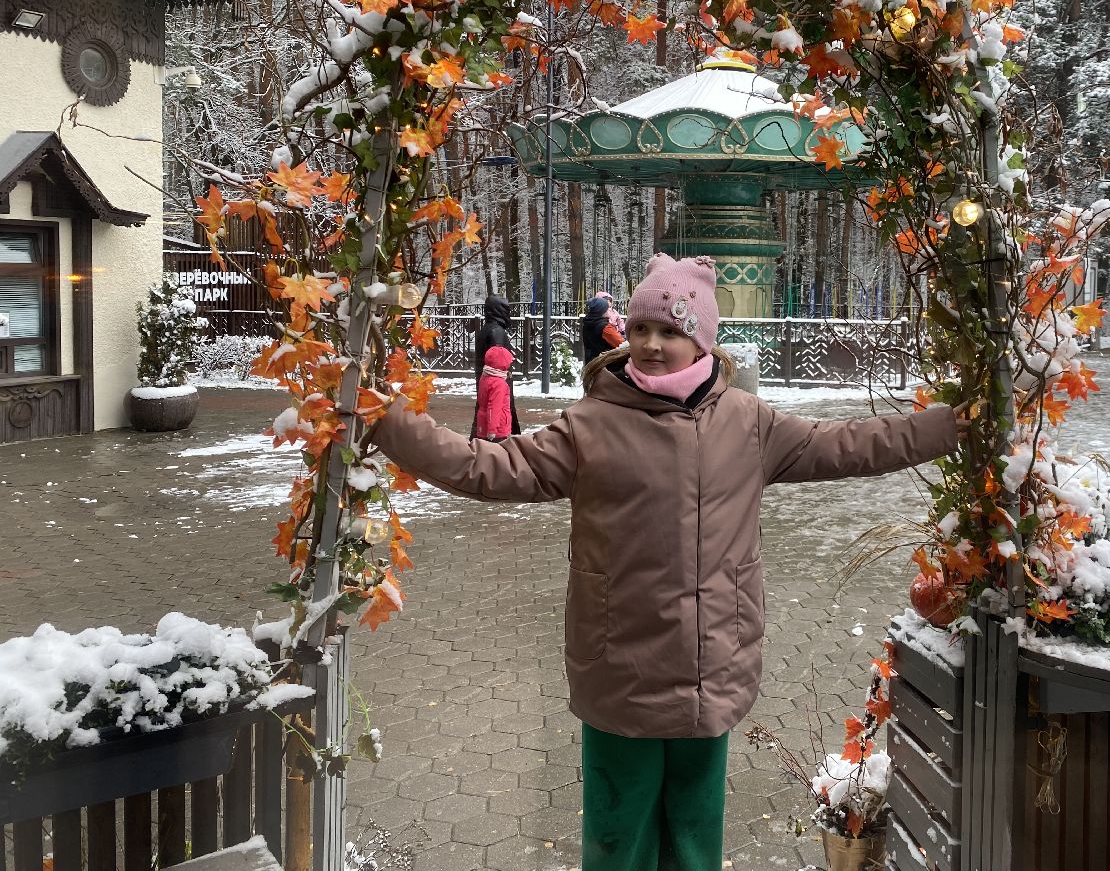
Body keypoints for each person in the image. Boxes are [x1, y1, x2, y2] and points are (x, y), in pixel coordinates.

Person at [366, 253, 968, 871]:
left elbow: (851, 444)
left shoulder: (748, 424)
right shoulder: (590, 426)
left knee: (694, 835)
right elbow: (486, 466)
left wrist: (952, 426)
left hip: (713, 670)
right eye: (641, 329)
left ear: (702, 339)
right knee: (616, 836)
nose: (651, 345)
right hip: (620, 668)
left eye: (671, 331)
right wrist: (386, 422)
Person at [473, 295, 520, 437]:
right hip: (497, 381)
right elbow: (498, 358)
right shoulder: (496, 331)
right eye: (505, 309)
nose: (508, 313)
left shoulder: (488, 328)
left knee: (483, 412)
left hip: (486, 379)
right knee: (497, 410)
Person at [474, 345, 515, 440]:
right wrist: (492, 430)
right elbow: (494, 407)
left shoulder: (485, 377)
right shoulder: (499, 384)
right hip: (498, 429)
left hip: (483, 424)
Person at [581, 295, 625, 364]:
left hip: (591, 363)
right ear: (601, 311)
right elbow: (622, 344)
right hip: (606, 366)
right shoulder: (605, 327)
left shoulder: (588, 323)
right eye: (607, 309)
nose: (609, 311)